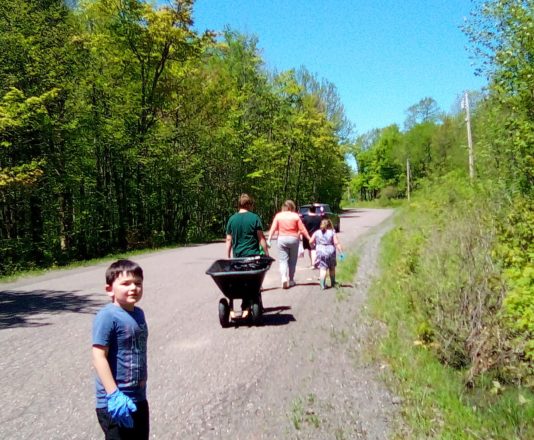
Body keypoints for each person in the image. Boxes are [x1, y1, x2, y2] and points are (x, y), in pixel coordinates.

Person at [92, 259, 149, 439]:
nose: (133, 288)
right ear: (109, 289)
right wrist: (113, 394)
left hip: (138, 398)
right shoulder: (108, 316)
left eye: (138, 283)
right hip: (114, 402)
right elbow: (98, 356)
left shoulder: (139, 313)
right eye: (125, 283)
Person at [225, 193, 269, 316]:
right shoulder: (254, 218)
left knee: (241, 280)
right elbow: (261, 239)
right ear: (249, 204)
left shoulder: (232, 219)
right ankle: (254, 304)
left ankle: (246, 304)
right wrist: (266, 254)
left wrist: (228, 257)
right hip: (253, 257)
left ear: (239, 205)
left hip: (238, 258)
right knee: (254, 281)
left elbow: (229, 240)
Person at [267, 200, 311, 289]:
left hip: (282, 239)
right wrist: (309, 238)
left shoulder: (278, 216)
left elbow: (273, 228)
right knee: (292, 261)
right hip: (294, 239)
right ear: (292, 207)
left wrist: (269, 239)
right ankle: (291, 280)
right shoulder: (295, 216)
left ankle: (283, 278)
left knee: (283, 260)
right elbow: (302, 229)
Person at [310, 219, 344, 289]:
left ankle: (322, 284)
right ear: (329, 225)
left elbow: (310, 241)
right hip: (330, 252)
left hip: (321, 252)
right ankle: (333, 282)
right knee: (332, 268)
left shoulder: (317, 232)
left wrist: (313, 246)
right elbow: (336, 243)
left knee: (323, 269)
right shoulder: (332, 232)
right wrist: (341, 253)